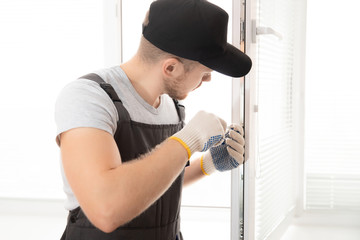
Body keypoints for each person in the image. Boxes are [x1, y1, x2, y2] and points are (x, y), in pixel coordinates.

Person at [55, 0, 252, 239]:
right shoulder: (89, 97)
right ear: (170, 68)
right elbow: (105, 208)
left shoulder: (172, 106)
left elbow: (153, 181)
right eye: (206, 73)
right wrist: (189, 140)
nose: (207, 80)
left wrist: (208, 164)